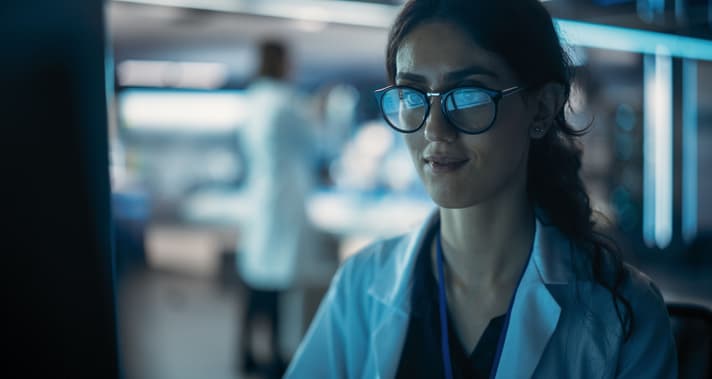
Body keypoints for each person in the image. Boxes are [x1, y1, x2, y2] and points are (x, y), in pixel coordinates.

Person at [283, 0, 678, 378]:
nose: (434, 129)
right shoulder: (361, 284)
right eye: (412, 96)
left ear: (541, 108)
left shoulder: (625, 313)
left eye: (468, 94)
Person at [237, 39, 318, 379]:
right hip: (281, 201)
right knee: (277, 285)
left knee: (256, 284)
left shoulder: (253, 100)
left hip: (261, 198)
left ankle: (246, 353)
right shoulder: (286, 102)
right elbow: (313, 141)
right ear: (283, 63)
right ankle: (274, 358)